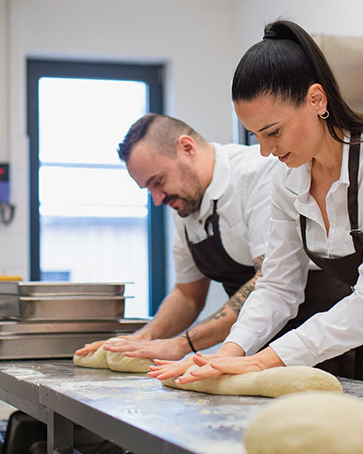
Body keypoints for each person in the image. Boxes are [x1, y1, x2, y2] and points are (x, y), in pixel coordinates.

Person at [149, 20, 363, 391]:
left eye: (274, 132)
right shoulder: (289, 179)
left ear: (316, 100)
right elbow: (278, 287)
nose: (265, 150)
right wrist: (229, 353)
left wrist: (262, 360)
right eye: (256, 136)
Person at [74, 113, 280, 361]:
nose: (158, 199)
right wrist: (141, 339)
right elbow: (188, 295)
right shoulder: (184, 203)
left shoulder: (256, 174)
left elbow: (268, 281)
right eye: (148, 189)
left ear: (187, 148)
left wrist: (183, 344)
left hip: (310, 341)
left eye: (158, 182)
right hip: (256, 349)